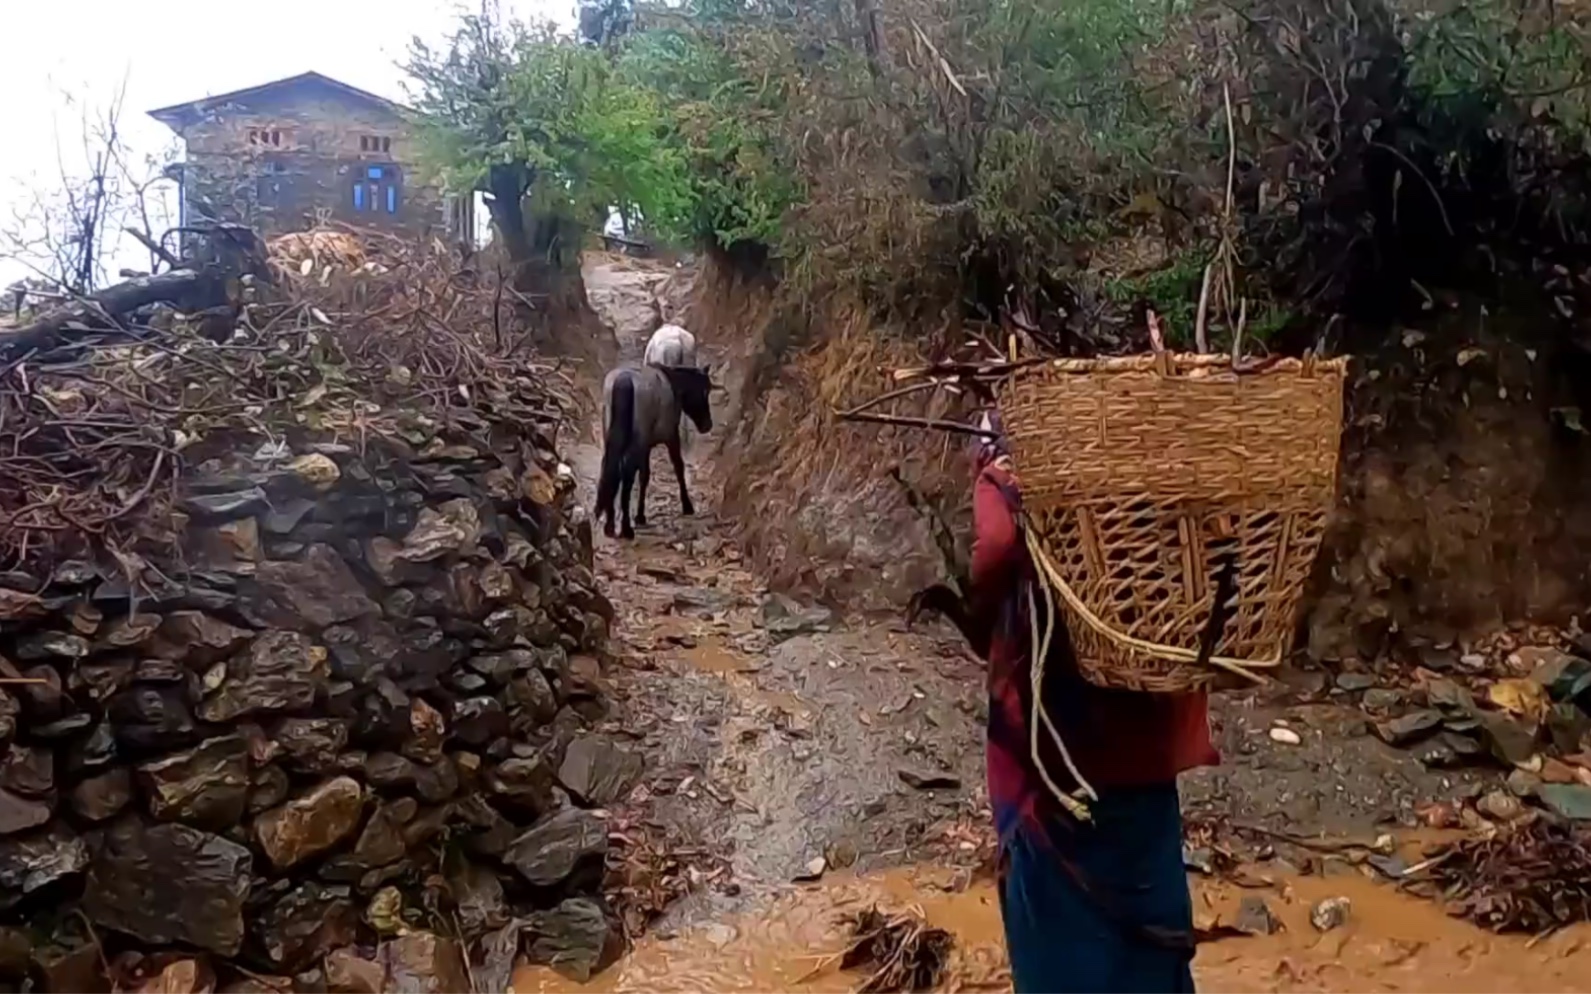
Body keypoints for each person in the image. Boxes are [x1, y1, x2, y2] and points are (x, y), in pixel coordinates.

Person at [967, 408, 1219, 994]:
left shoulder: (1017, 502)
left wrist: (992, 482)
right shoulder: (1146, 529)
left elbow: (995, 549)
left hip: (1055, 787)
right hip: (1144, 776)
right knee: (1149, 945)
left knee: (1063, 953)